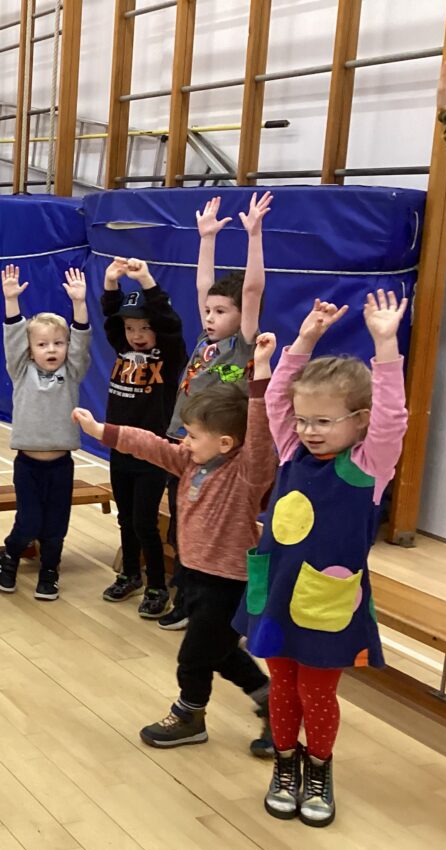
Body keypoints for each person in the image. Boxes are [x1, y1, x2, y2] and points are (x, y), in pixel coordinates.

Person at [238, 292, 409, 828]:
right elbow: (276, 400)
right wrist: (306, 338)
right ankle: (284, 764)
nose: (309, 430)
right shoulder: (292, 450)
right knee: (282, 687)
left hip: (328, 604)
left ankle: (318, 769)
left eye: (324, 422)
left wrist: (385, 346)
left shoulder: (370, 464)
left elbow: (393, 417)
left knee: (316, 691)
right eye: (304, 419)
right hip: (278, 595)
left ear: (360, 421)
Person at [73, 332, 278, 756]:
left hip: (227, 582)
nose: (184, 441)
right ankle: (271, 701)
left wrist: (261, 374)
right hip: (193, 574)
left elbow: (260, 438)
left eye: (193, 435)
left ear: (225, 443)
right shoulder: (189, 462)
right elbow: (149, 444)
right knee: (219, 651)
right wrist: (101, 431)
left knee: (194, 656)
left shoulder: (245, 474)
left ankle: (189, 714)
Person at [162, 191, 273, 633]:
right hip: (186, 446)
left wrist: (254, 235)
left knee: (216, 529)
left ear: (241, 317)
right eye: (208, 311)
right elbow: (202, 286)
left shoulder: (242, 345)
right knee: (184, 522)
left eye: (220, 311)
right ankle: (186, 598)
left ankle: (221, 609)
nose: (209, 316)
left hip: (223, 456)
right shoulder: (204, 343)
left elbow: (252, 288)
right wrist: (206, 239)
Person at [0, 265, 91, 601]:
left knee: (56, 525)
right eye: (43, 344)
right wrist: (11, 300)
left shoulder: (72, 371)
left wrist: (79, 303)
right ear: (30, 349)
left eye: (58, 343)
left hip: (61, 465)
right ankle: (10, 555)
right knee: (30, 521)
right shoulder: (21, 370)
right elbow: (12, 338)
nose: (51, 350)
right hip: (28, 464)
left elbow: (81, 341)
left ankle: (50, 571)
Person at [97, 257, 188, 618]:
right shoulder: (123, 350)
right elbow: (110, 317)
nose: (136, 335)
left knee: (144, 522)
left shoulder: (169, 355)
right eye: (130, 328)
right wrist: (110, 283)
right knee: (125, 518)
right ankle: (130, 574)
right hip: (121, 451)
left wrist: (147, 281)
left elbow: (170, 323)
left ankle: (156, 585)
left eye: (144, 328)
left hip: (152, 454)